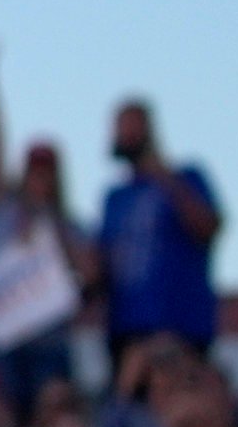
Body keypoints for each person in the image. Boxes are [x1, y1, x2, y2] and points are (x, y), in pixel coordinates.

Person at [93, 98, 223, 355]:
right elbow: (102, 264)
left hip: (182, 326)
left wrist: (163, 174)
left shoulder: (187, 177)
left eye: (130, 126)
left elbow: (208, 226)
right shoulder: (115, 198)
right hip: (126, 329)